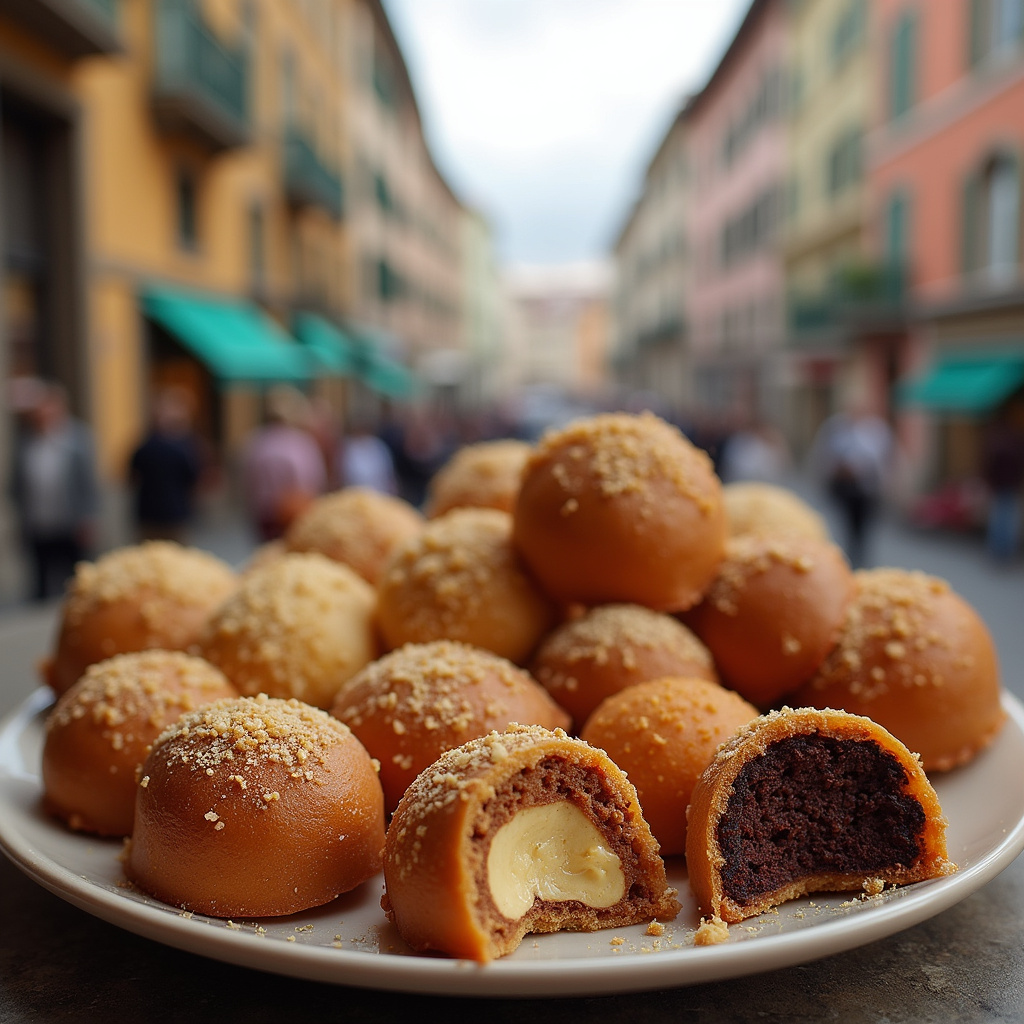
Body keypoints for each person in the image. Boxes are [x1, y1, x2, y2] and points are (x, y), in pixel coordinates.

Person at [8, 381, 99, 601]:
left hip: (70, 523)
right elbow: (16, 483)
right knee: (40, 580)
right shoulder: (26, 441)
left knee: (75, 579)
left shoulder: (77, 440)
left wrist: (88, 518)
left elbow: (88, 483)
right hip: (38, 523)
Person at [811, 403, 893, 569]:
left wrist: (886, 482)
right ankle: (850, 554)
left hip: (868, 487)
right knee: (847, 521)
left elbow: (885, 457)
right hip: (845, 486)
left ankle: (859, 554)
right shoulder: (836, 427)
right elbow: (824, 454)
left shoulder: (877, 429)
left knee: (864, 523)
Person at [241, 386, 326, 541]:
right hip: (294, 513)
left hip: (264, 513)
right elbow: (313, 480)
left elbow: (247, 480)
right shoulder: (301, 442)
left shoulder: (256, 441)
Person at [128, 387, 204, 542]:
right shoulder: (183, 447)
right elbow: (194, 478)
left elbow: (131, 477)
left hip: (149, 513)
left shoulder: (144, 445)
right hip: (174, 513)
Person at [982, 410, 1024, 564]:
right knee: (1008, 518)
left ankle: (998, 550)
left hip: (1000, 484)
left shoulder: (996, 443)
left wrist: (989, 481)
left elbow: (989, 466)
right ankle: (1005, 550)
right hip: (1010, 485)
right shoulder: (1015, 443)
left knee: (998, 517)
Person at [336, 419, 398, 495]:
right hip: (354, 494)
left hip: (380, 494)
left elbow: (390, 478)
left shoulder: (379, 447)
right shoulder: (347, 448)